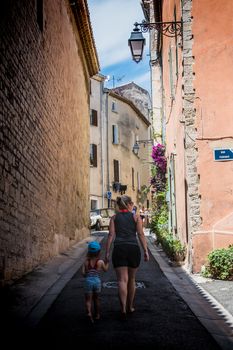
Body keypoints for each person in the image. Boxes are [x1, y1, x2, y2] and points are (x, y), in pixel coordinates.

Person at [105, 195, 149, 319]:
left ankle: (123, 308)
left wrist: (107, 253)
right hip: (133, 249)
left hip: (119, 249)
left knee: (121, 280)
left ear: (119, 206)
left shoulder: (114, 218)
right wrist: (145, 251)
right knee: (132, 279)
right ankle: (130, 306)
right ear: (129, 204)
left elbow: (110, 236)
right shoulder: (136, 217)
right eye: (132, 203)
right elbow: (140, 234)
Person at [82, 241, 109, 323]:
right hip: (97, 282)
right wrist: (107, 262)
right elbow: (105, 270)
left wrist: (87, 273)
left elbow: (83, 273)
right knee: (96, 299)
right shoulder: (100, 262)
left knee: (88, 300)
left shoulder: (86, 262)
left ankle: (89, 313)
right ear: (99, 252)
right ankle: (97, 315)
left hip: (88, 282)